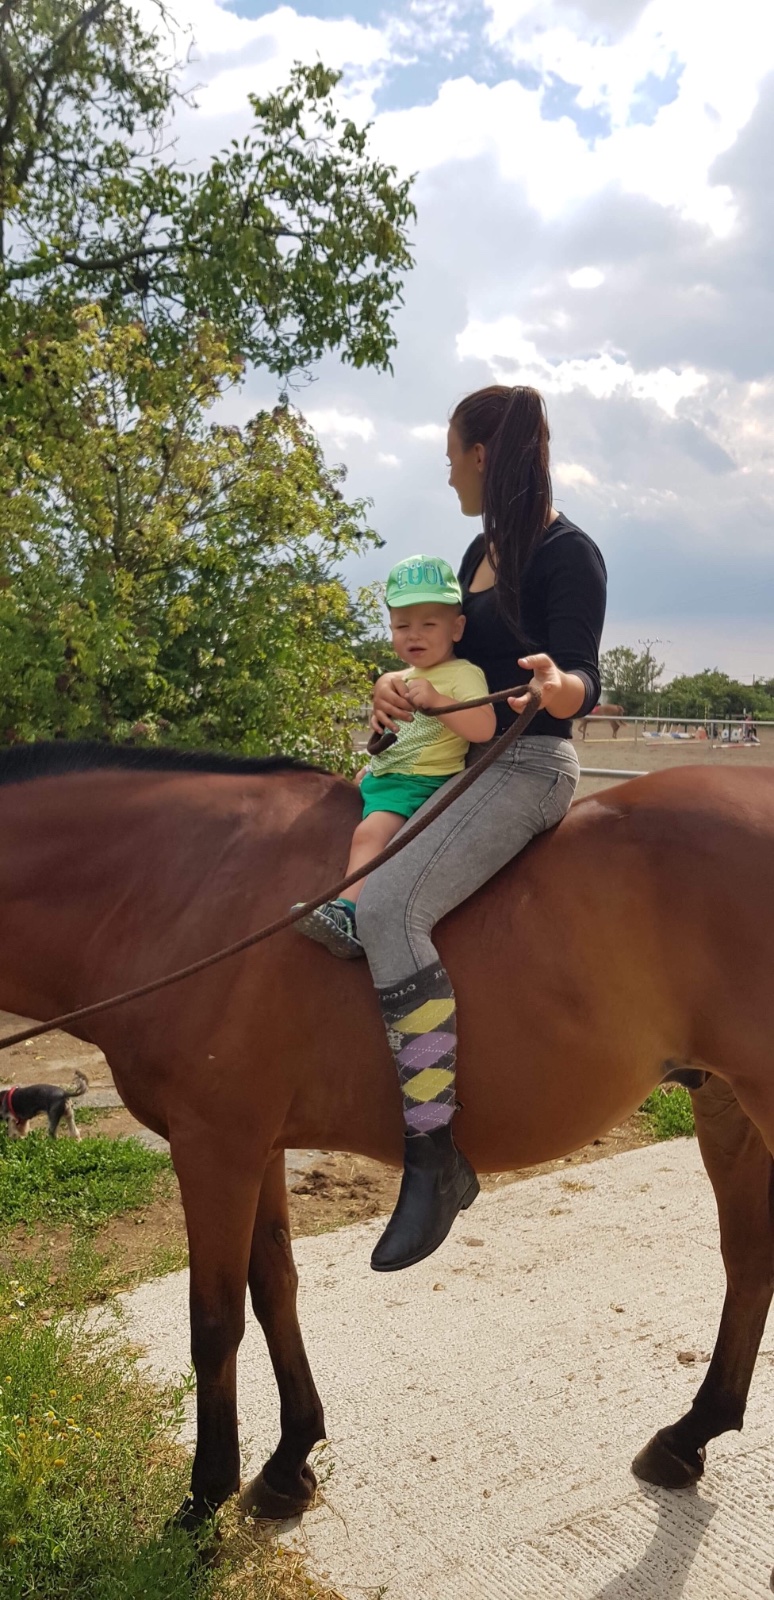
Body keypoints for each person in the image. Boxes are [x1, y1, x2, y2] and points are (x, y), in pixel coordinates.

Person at [320, 385, 606, 1273]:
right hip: (460, 761)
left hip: (528, 766)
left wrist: (559, 688)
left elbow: (581, 680)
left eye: (452, 458)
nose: (448, 476)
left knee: (386, 907)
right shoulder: (479, 552)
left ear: (482, 455)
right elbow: (443, 655)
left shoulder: (569, 554)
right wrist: (393, 688)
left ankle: (434, 1154)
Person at [296, 555, 496, 955]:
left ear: (457, 628)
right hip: (388, 776)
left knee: (369, 834)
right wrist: (374, 759)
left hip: (417, 784)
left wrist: (439, 701)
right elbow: (396, 736)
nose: (414, 635)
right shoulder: (400, 678)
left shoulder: (462, 674)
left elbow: (485, 727)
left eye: (428, 624)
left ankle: (348, 913)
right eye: (402, 626)